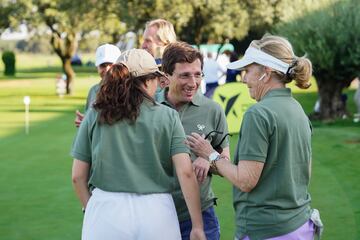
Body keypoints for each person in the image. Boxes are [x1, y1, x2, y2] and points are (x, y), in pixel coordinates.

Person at [186, 34, 323, 240]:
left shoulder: (258, 113)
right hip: (300, 225)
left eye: (248, 71)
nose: (244, 79)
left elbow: (245, 181)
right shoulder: (297, 109)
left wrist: (210, 154)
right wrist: (217, 162)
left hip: (266, 230)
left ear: (266, 73)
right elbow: (304, 172)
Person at [71, 49, 206, 240]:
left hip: (106, 209)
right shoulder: (167, 115)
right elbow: (185, 172)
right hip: (157, 212)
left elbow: (77, 176)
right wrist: (197, 226)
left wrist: (91, 207)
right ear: (147, 80)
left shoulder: (95, 113)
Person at [160, 41, 230, 240]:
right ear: (166, 77)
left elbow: (226, 161)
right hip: (156, 213)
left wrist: (209, 158)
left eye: (197, 74)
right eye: (184, 75)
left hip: (201, 215)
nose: (193, 83)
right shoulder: (149, 107)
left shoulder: (213, 110)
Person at [74, 43, 121, 127]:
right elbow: (90, 118)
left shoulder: (126, 91)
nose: (107, 69)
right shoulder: (93, 90)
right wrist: (85, 122)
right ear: (97, 67)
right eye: (103, 65)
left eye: (111, 64)